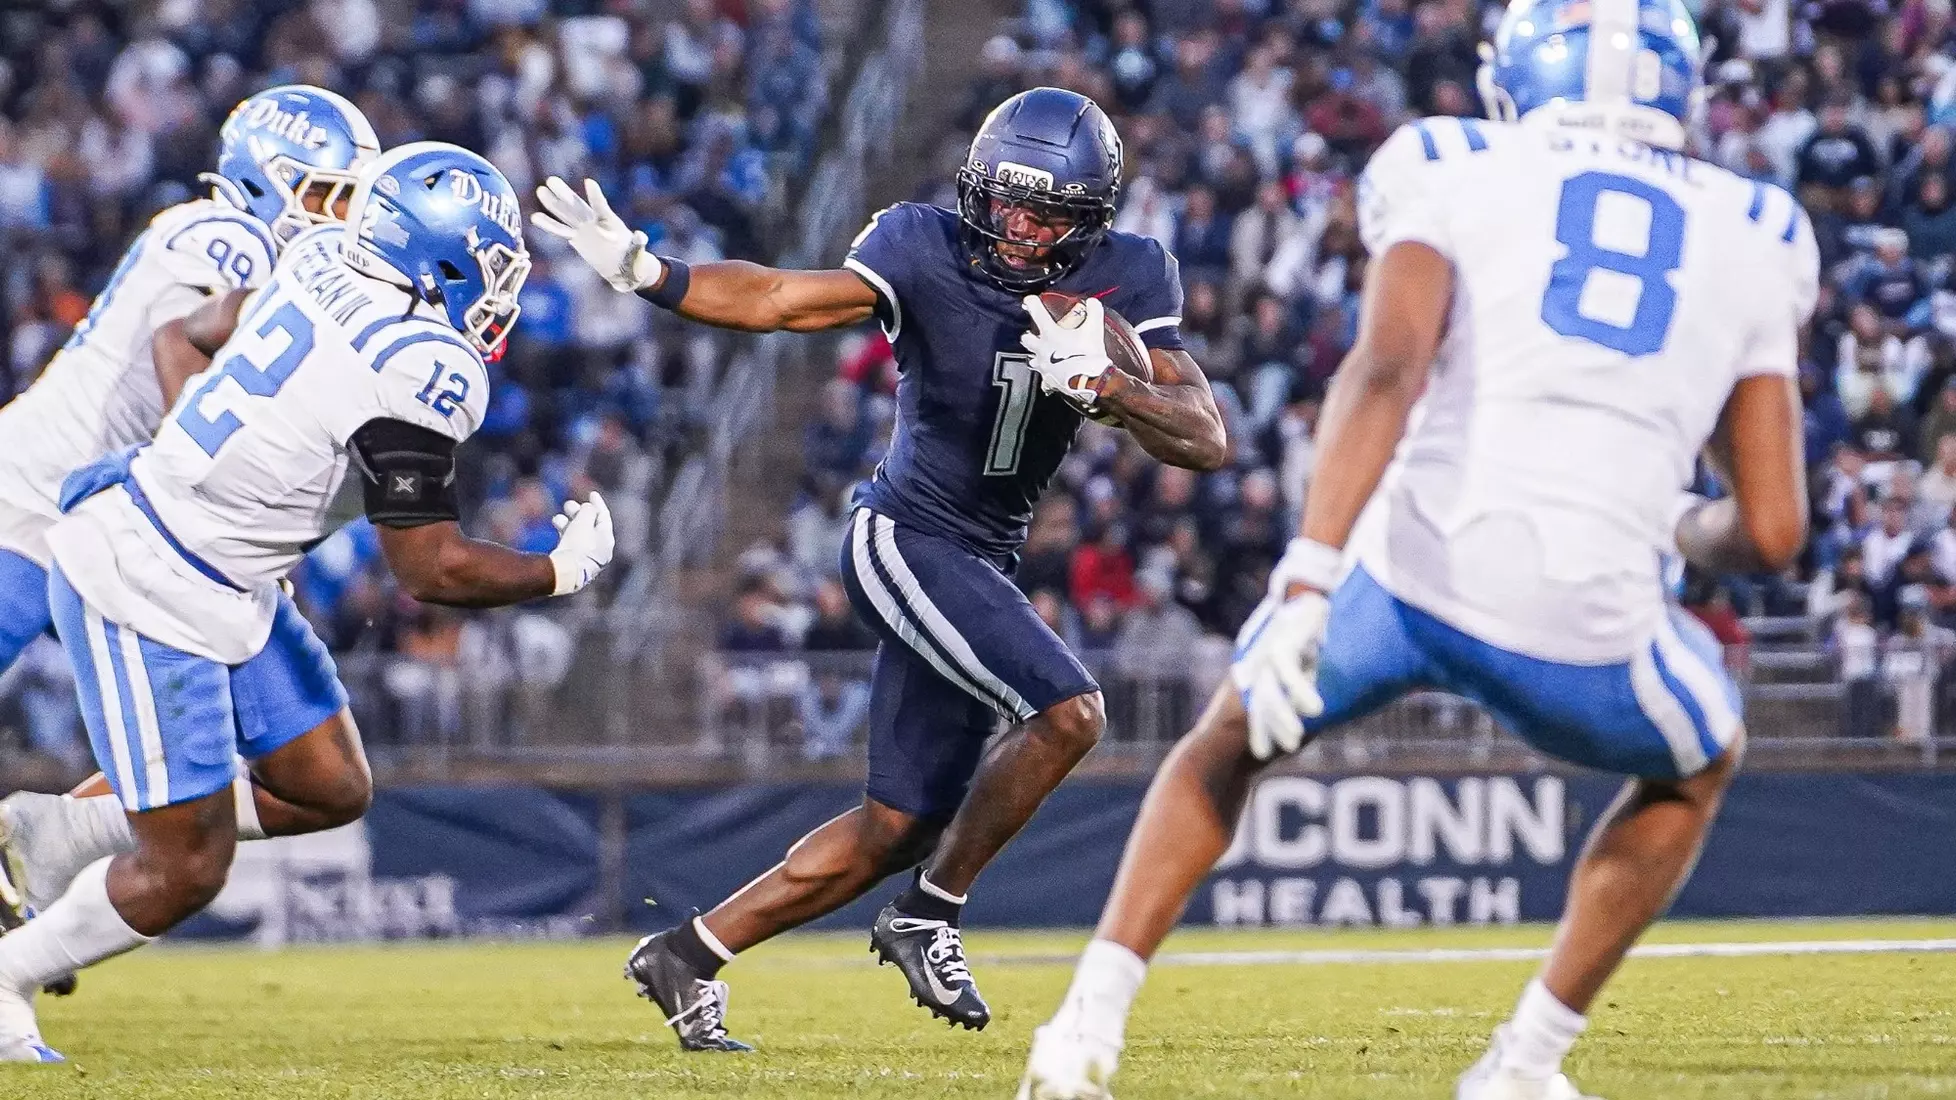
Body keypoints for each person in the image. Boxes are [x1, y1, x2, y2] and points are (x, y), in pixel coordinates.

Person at [1016, 0, 1815, 1096]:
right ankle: (1522, 1064)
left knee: (1231, 738)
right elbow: (1770, 529)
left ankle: (1083, 1030)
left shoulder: (1451, 161)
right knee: (1697, 763)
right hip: (1583, 618)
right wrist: (1675, 522)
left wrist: (1307, 581)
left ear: (1517, 74)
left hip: (1405, 572)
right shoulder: (1761, 228)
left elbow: (1387, 369)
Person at [533, 87, 1227, 1050]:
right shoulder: (922, 246)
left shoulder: (1131, 273)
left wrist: (1110, 387)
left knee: (896, 825)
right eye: (1006, 203)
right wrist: (648, 271)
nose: (1019, 230)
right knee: (1072, 713)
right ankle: (930, 914)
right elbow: (781, 299)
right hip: (905, 537)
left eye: (1046, 215)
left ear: (1091, 221)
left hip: (981, 558)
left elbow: (1205, 437)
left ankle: (687, 954)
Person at [0, 143, 616, 1062]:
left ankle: (56, 830)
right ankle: (7, 975)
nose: (498, 293)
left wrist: (227, 477)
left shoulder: (319, 257)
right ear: (436, 256)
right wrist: (557, 572)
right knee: (188, 866)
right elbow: (431, 569)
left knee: (328, 786)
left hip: (224, 569)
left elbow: (190, 335)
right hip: (151, 572)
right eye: (487, 267)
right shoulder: (417, 362)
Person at [0, 85, 380, 969]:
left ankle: (41, 839)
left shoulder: (292, 273)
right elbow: (187, 344)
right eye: (321, 193)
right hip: (31, 509)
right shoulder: (221, 233)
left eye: (349, 199)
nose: (338, 217)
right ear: (262, 181)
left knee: (286, 766)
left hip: (132, 531)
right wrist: (213, 503)